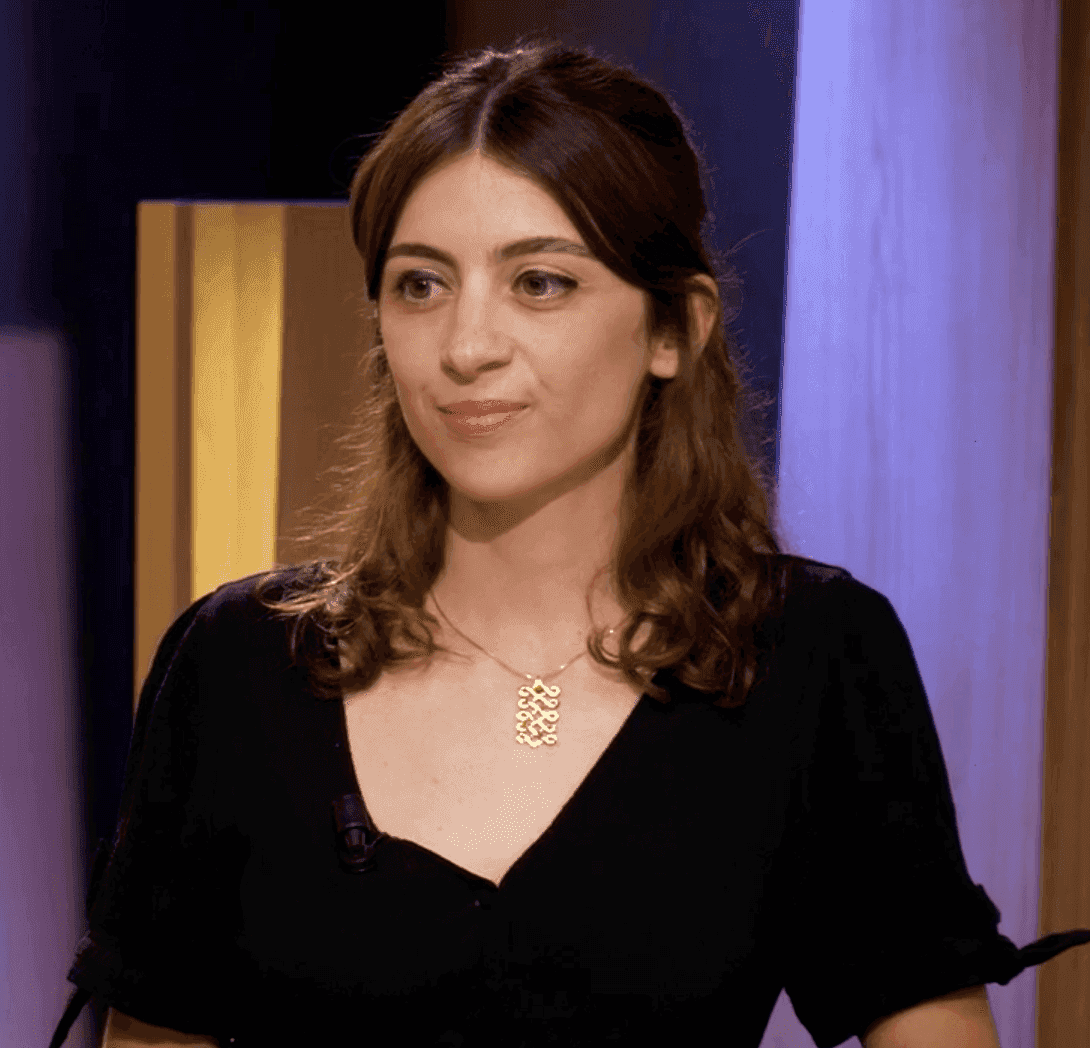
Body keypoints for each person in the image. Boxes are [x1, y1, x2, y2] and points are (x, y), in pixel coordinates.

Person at [52, 38, 1088, 1048]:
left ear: (674, 329)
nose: (466, 346)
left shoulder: (812, 658)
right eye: (420, 284)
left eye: (539, 282)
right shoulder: (240, 662)